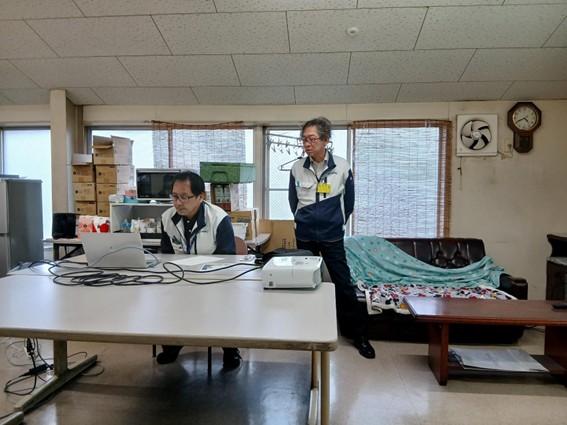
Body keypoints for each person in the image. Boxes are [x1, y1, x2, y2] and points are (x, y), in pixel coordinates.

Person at [288, 117, 375, 359]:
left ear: (325, 140)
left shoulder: (342, 167)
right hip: (305, 235)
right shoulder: (297, 167)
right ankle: (305, 329)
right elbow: (293, 201)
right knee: (303, 282)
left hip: (332, 237)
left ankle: (357, 334)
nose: (307, 144)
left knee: (343, 284)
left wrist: (335, 223)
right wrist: (302, 220)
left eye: (312, 139)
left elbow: (349, 203)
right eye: (304, 139)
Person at [158, 170, 241, 368]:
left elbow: (227, 258)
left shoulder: (219, 218)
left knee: (224, 307)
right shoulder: (167, 218)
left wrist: (204, 272)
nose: (178, 203)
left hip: (214, 279)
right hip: (180, 279)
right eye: (174, 196)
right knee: (169, 303)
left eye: (184, 197)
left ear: (201, 197)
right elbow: (166, 255)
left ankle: (230, 350)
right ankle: (172, 345)